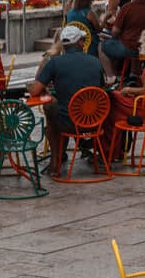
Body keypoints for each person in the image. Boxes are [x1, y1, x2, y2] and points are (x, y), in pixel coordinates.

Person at [28, 24, 109, 172]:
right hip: (96, 122)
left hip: (69, 122)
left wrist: (47, 92)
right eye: (83, 39)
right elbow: (102, 89)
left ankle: (55, 160)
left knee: (51, 112)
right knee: (59, 110)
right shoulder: (96, 62)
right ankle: (90, 149)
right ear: (79, 42)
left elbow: (34, 91)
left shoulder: (54, 63)